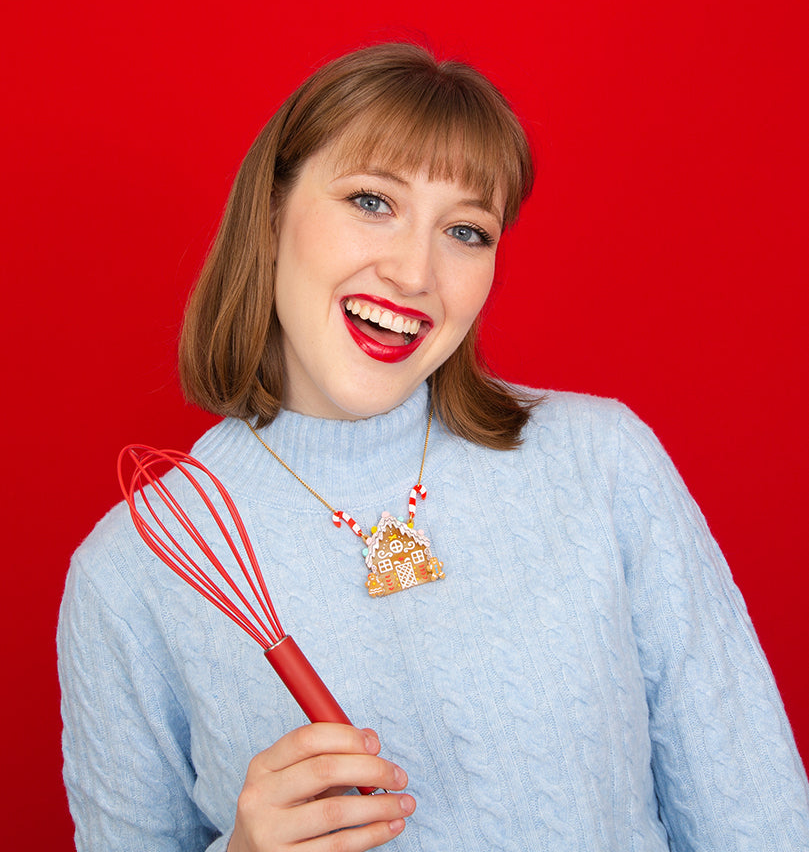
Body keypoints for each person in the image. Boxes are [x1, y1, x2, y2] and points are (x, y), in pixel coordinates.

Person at [58, 42, 809, 851]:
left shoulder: (600, 462)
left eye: (465, 229)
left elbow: (757, 820)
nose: (415, 272)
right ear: (270, 213)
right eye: (372, 202)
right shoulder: (132, 570)